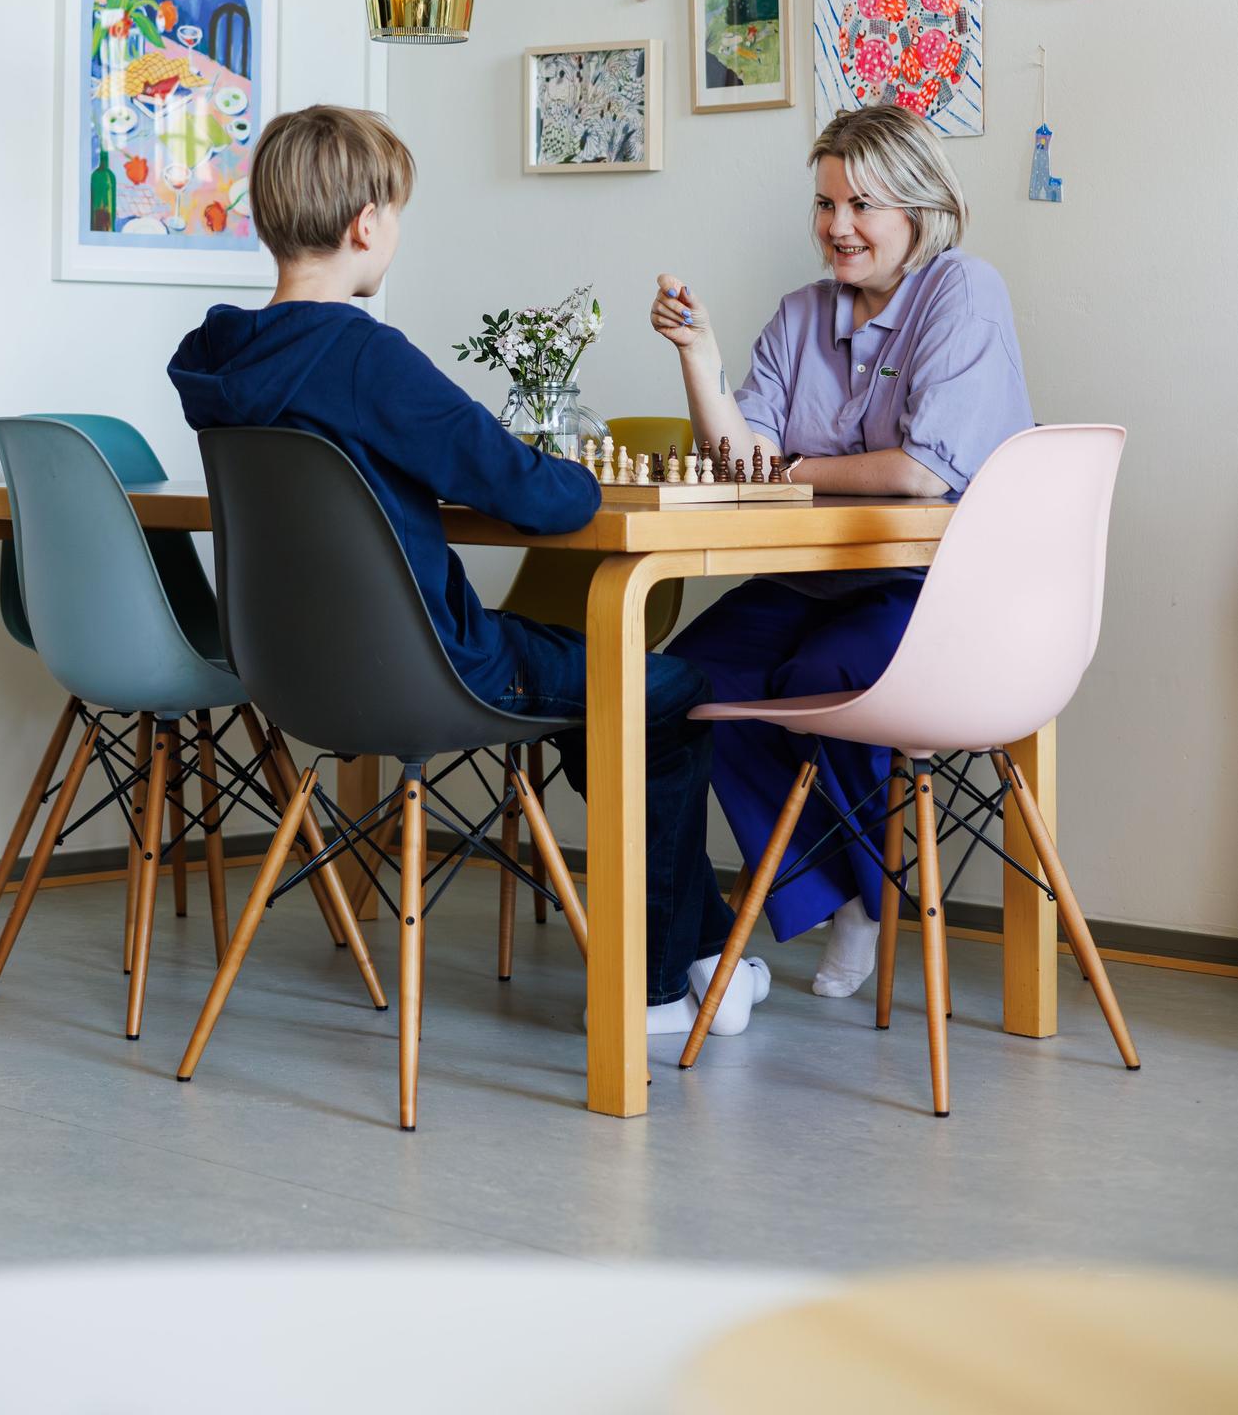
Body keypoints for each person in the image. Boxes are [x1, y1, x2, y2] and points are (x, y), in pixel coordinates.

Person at [170, 103, 769, 1039]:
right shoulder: (364, 355)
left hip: (293, 671)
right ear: (367, 223)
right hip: (443, 661)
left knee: (608, 690)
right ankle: (658, 985)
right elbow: (541, 497)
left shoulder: (218, 362)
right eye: (396, 215)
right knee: (666, 688)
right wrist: (578, 466)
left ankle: (707, 952)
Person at [651, 104, 1033, 999]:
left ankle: (863, 895)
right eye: (825, 204)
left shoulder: (961, 291)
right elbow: (741, 463)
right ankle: (839, 895)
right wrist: (701, 364)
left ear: (920, 208)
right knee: (682, 684)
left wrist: (791, 465)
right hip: (814, 579)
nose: (836, 227)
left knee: (828, 672)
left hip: (938, 590)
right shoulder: (797, 315)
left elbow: (919, 473)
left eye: (861, 204)